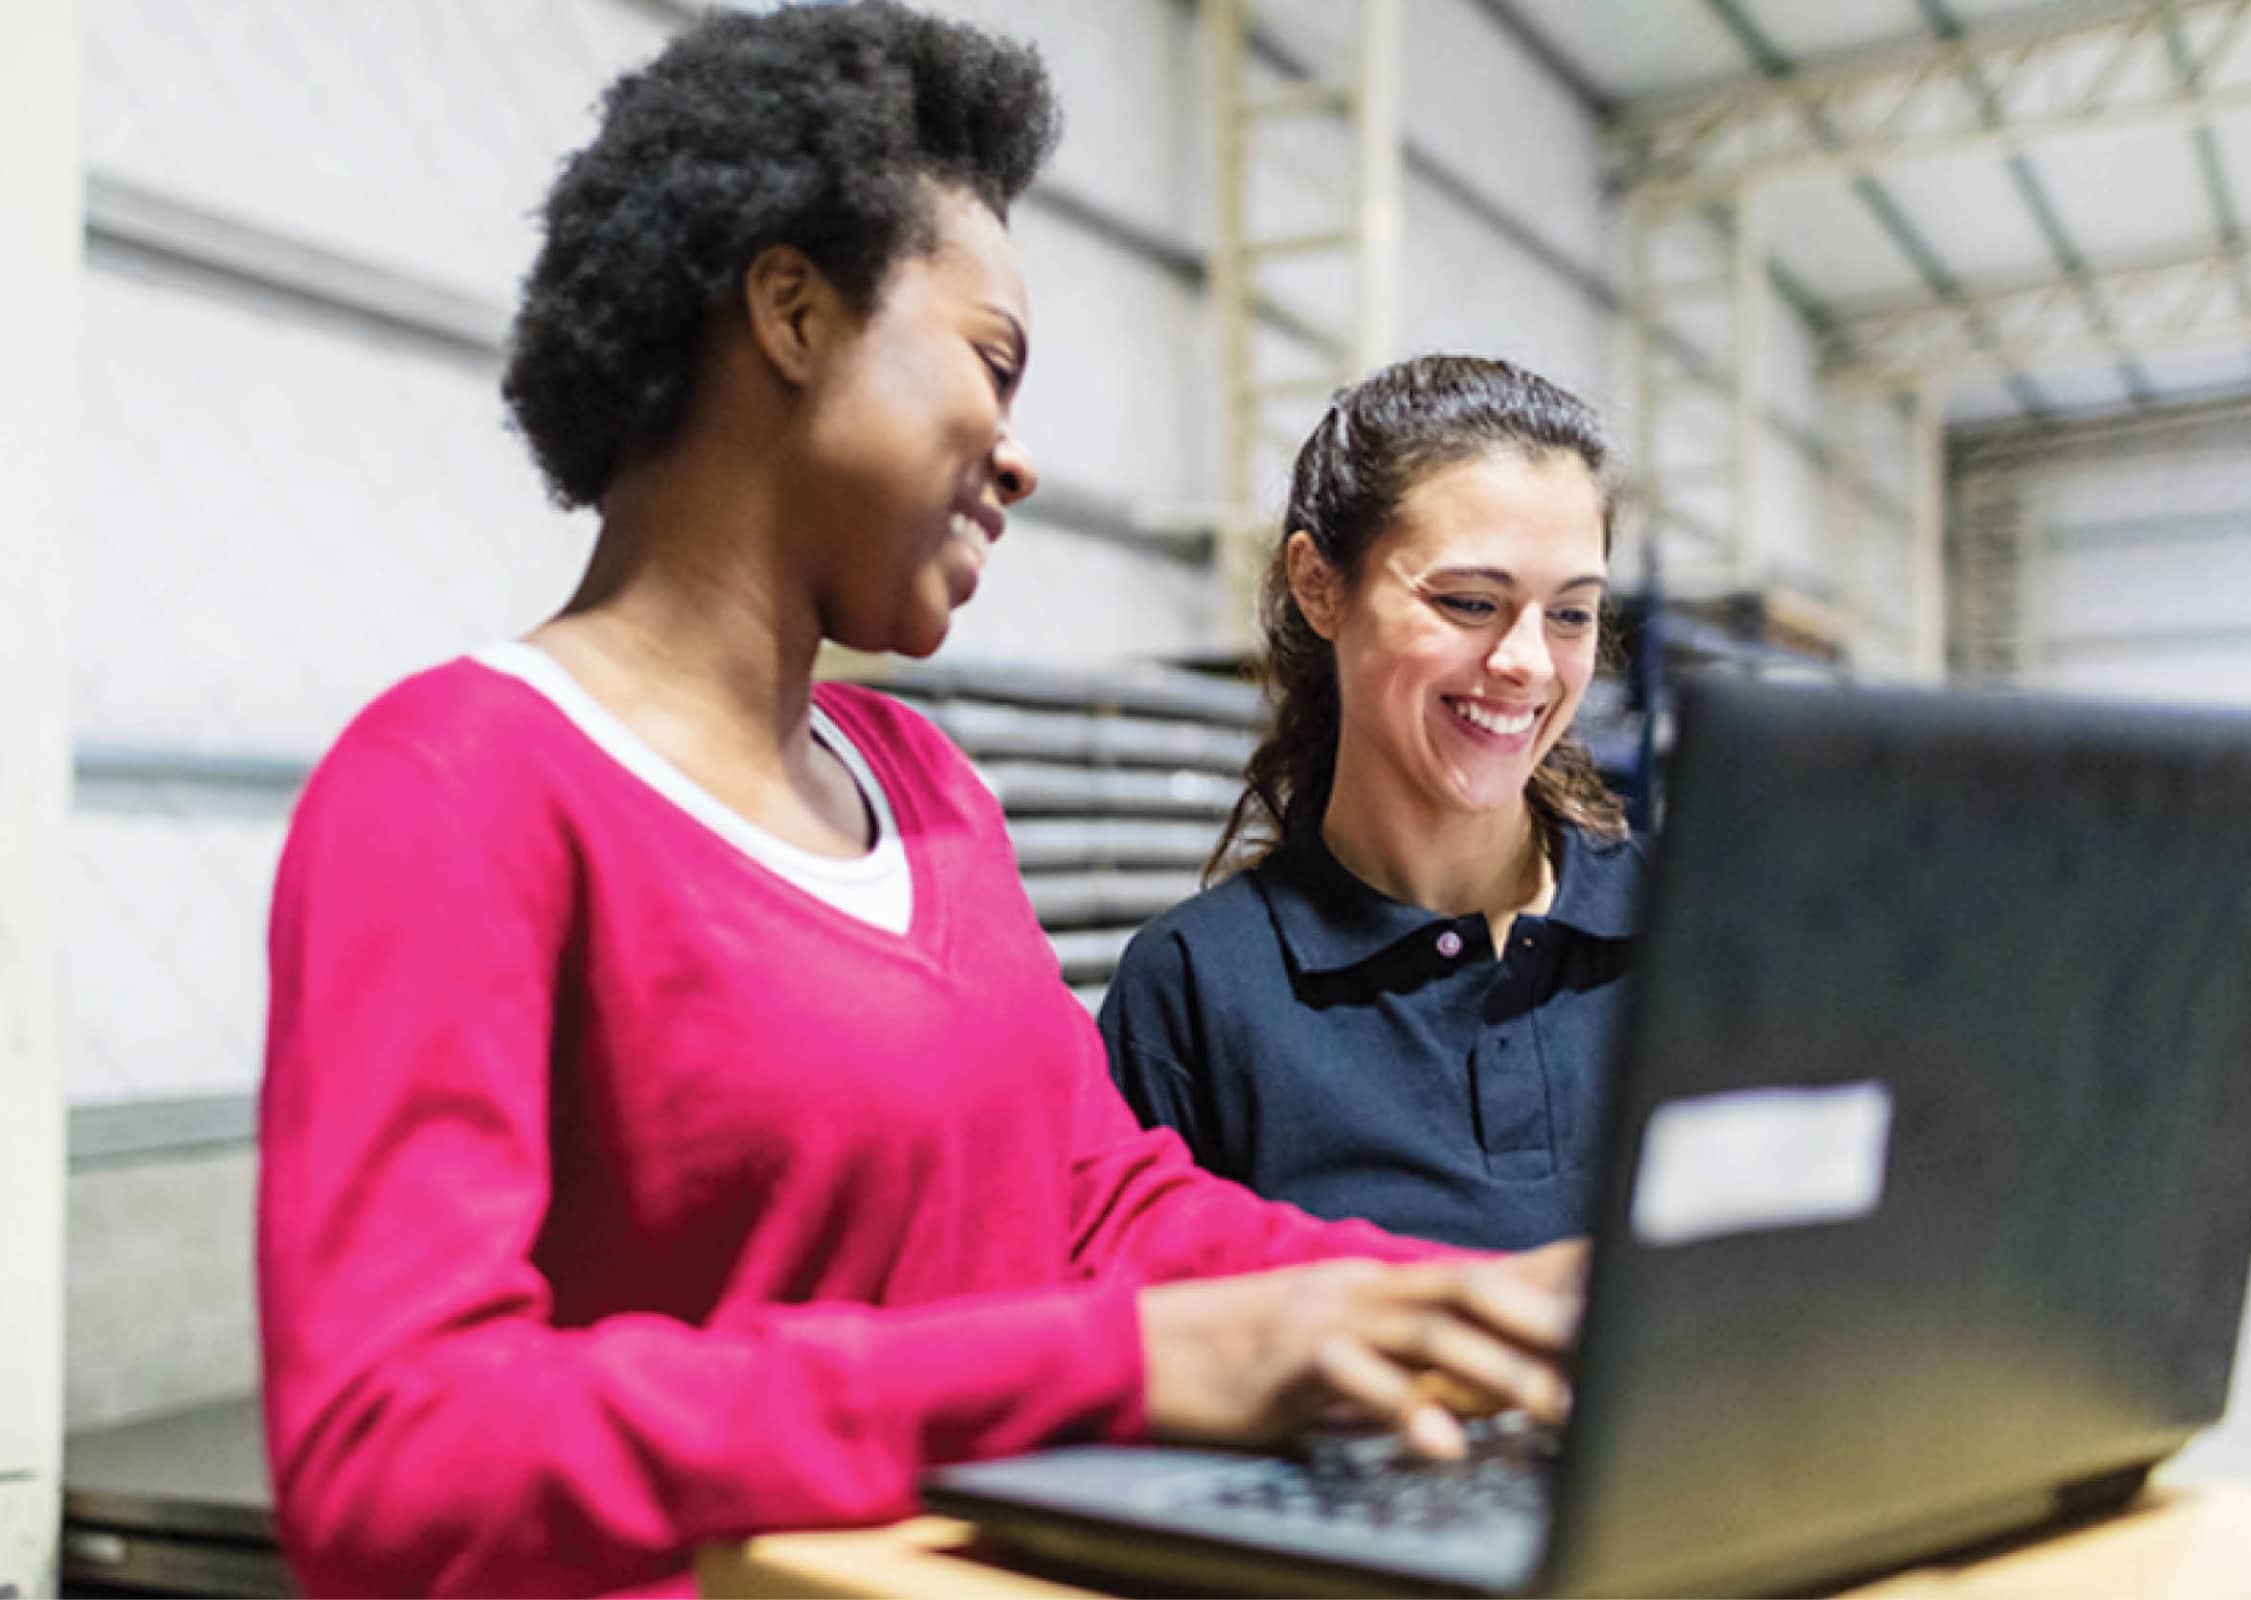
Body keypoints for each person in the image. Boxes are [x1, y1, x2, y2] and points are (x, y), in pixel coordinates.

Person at [255, 11, 1581, 1596]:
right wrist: (1121, 1370)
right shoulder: (462, 784)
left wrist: (1478, 1309)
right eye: (991, 363)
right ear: (794, 311)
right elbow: (395, 1452)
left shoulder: (922, 784)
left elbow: (1106, 1209)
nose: (1018, 460)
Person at [1101, 356, 1642, 1252]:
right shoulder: (1196, 994)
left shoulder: (1697, 937)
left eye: (1571, 615)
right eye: (1471, 602)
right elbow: (1142, 1348)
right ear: (1319, 586)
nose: (1529, 663)